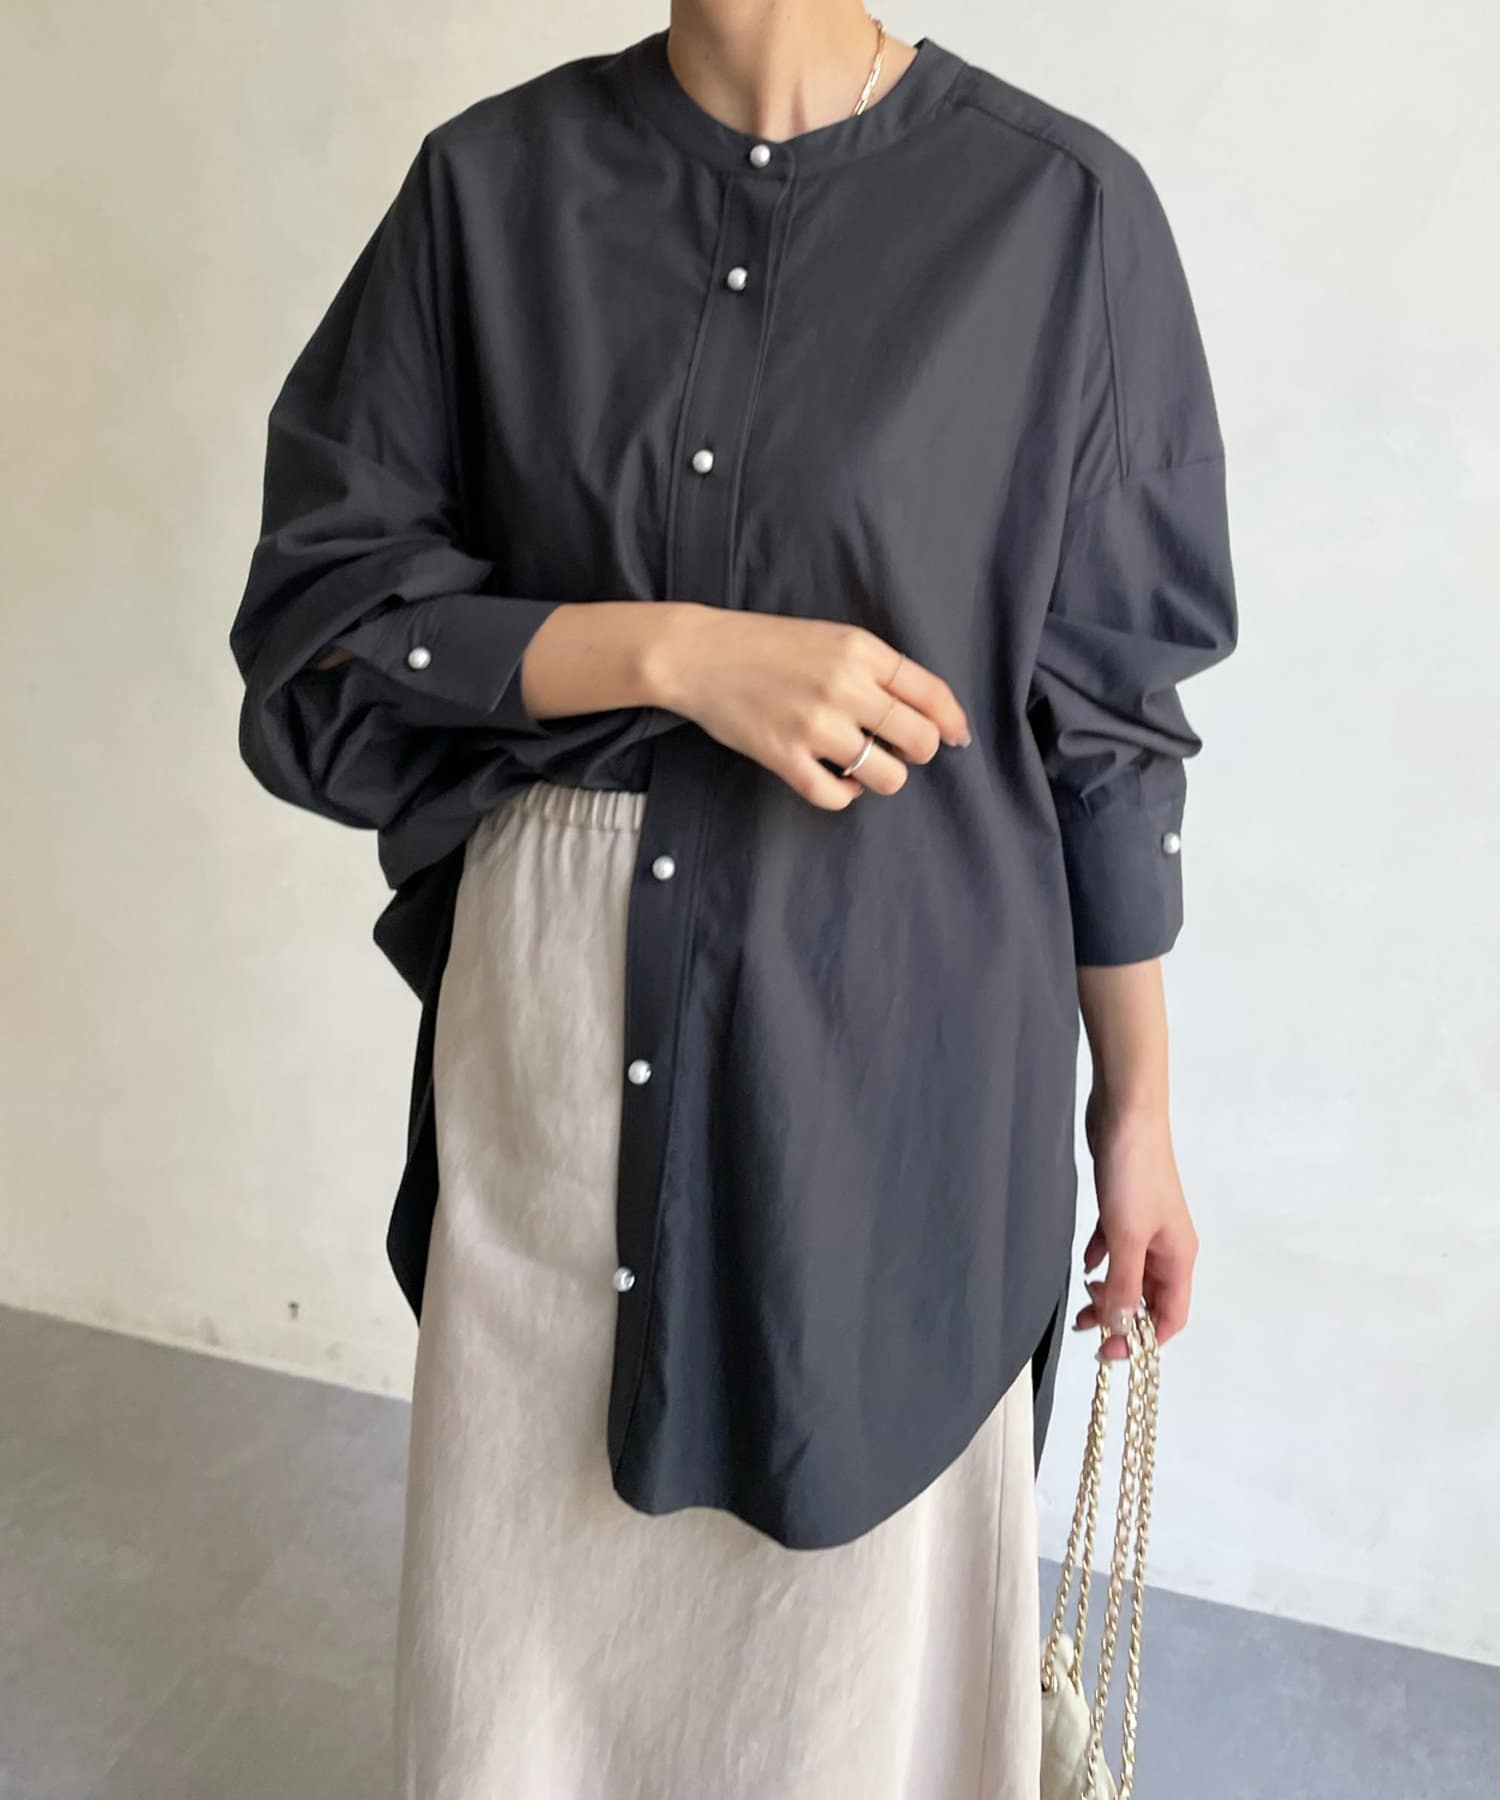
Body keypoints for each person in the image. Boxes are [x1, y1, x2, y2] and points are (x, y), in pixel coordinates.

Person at [228, 4, 1238, 1795]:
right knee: (532, 1609)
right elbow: (327, 615)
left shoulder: (1060, 216)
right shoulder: (490, 188)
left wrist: (1138, 1114)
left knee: (846, 1661)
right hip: (559, 1036)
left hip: (901, 1038)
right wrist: (675, 652)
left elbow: (1108, 731)